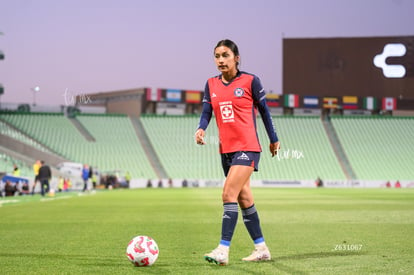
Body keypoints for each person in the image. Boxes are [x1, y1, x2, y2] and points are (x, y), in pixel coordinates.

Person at [195, 39, 280, 265]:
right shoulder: (211, 84)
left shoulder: (251, 81)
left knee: (227, 194)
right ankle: (261, 248)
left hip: (248, 147)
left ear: (236, 57)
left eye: (225, 55)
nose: (220, 60)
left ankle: (223, 250)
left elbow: (264, 111)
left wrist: (274, 139)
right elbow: (206, 112)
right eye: (217, 56)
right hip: (226, 150)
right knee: (244, 198)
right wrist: (201, 128)